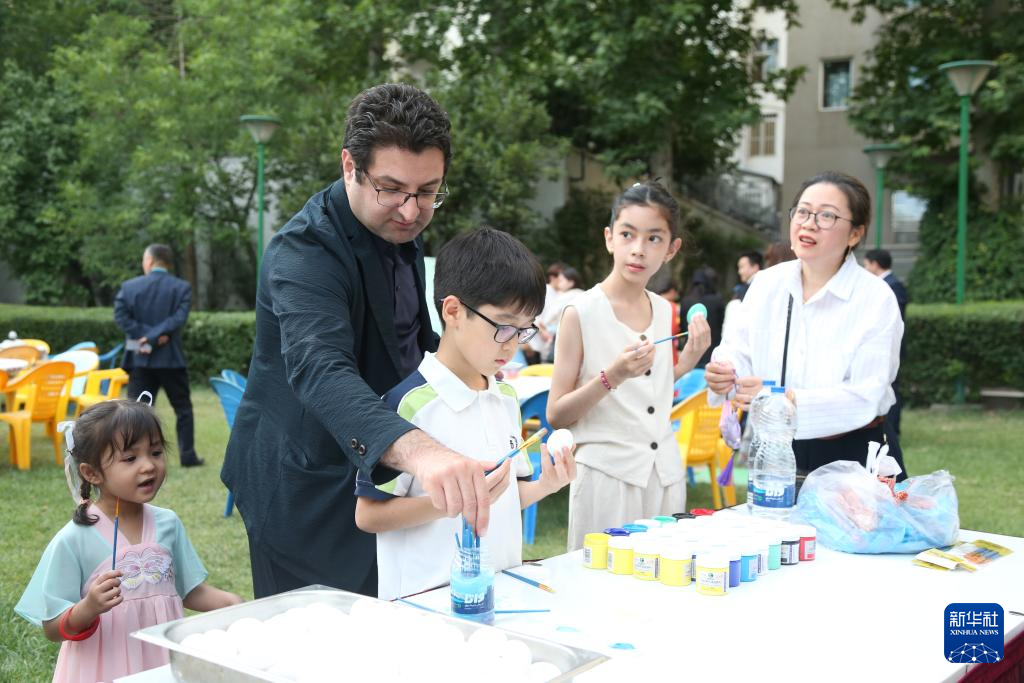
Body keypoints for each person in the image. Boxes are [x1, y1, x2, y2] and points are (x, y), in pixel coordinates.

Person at [221, 83, 498, 599]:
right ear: (350, 165)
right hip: (303, 487)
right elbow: (320, 368)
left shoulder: (399, 228)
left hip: (376, 481)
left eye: (428, 192)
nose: (411, 212)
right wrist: (423, 453)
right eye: (391, 189)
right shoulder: (303, 251)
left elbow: (410, 343)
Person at [353, 228, 576, 600]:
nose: (512, 345)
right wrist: (450, 501)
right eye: (503, 327)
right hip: (425, 605)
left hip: (500, 593)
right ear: (453, 311)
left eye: (524, 330)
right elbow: (368, 515)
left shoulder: (506, 398)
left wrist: (546, 486)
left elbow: (504, 498)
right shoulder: (408, 405)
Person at [15, 400, 241, 683]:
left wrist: (233, 604)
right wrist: (89, 607)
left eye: (155, 452)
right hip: (102, 670)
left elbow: (188, 591)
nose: (149, 466)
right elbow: (52, 628)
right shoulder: (74, 539)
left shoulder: (168, 524)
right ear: (92, 473)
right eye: (130, 458)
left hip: (160, 666)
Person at [705, 171, 905, 480]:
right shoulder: (766, 283)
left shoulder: (875, 298)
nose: (809, 223)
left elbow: (867, 393)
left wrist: (786, 400)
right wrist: (726, 373)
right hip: (776, 446)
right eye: (803, 211)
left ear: (855, 234)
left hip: (853, 451)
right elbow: (738, 350)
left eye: (827, 216)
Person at [547, 181, 712, 550]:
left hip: (664, 475)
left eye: (654, 238)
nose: (638, 249)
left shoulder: (665, 309)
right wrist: (613, 376)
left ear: (671, 249)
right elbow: (556, 414)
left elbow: (648, 395)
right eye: (627, 234)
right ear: (609, 238)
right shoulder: (580, 313)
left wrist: (685, 363)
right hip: (607, 478)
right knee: (601, 581)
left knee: (665, 577)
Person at [114, 244, 203, 467]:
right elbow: (178, 319)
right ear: (167, 263)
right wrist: (155, 336)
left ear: (149, 261)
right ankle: (188, 456)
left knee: (135, 411)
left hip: (139, 358)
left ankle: (131, 456)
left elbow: (121, 316)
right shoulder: (182, 288)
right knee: (183, 409)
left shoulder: (129, 287)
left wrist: (144, 336)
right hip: (170, 359)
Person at [864, 248, 908, 435]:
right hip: (879, 346)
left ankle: (892, 429)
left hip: (890, 346)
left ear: (875, 264)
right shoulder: (885, 284)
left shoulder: (893, 286)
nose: (865, 269)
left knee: (891, 389)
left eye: (866, 265)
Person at [679, 267, 726, 368]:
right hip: (712, 350)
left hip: (691, 352)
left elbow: (682, 327)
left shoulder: (686, 301)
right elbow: (722, 324)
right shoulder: (717, 300)